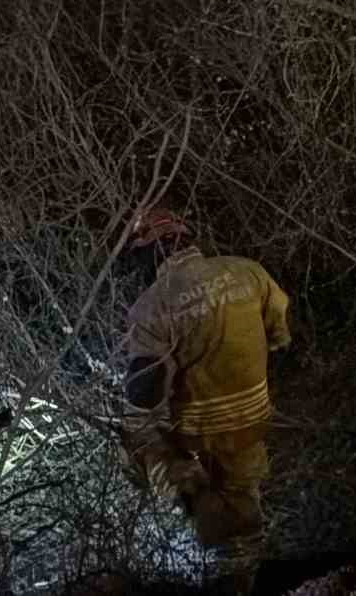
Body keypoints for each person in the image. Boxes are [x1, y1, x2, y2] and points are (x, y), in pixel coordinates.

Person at [120, 208, 291, 591]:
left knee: (138, 442)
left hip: (199, 432)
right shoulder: (249, 271)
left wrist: (137, 439)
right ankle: (246, 570)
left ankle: (196, 501)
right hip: (253, 419)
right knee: (244, 494)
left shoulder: (152, 305)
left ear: (152, 252)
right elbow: (279, 333)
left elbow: (145, 392)